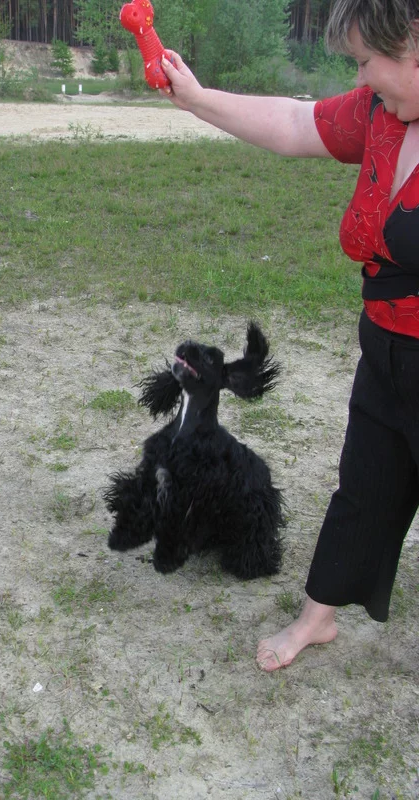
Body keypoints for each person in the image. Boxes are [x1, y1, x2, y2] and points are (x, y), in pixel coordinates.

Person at [159, 0, 419, 671]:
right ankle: (317, 618)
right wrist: (196, 98)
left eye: (366, 60)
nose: (360, 77)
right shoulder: (381, 115)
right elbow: (297, 123)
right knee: (364, 485)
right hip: (386, 349)